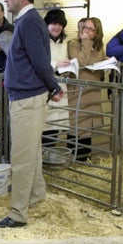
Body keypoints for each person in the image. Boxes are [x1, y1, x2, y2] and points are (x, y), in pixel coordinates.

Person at [0, 0, 64, 229]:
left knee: (21, 157)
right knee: (31, 151)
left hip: (28, 98)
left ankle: (18, 213)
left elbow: (40, 61)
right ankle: (36, 196)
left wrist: (54, 87)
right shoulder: (26, 21)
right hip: (25, 96)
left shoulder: (30, 21)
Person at [68, 17, 106, 161]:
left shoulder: (99, 47)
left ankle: (85, 158)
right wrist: (85, 42)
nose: (87, 31)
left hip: (93, 90)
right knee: (77, 125)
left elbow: (97, 65)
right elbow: (81, 62)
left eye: (91, 29)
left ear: (97, 33)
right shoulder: (74, 44)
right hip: (79, 91)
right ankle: (74, 158)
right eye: (85, 28)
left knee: (88, 127)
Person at [42, 9, 70, 148]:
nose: (57, 27)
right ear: (47, 24)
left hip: (62, 86)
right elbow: (38, 62)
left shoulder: (65, 42)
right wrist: (55, 65)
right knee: (45, 125)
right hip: (46, 86)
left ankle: (50, 156)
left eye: (60, 24)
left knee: (57, 125)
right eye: (53, 23)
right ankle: (43, 160)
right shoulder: (41, 40)